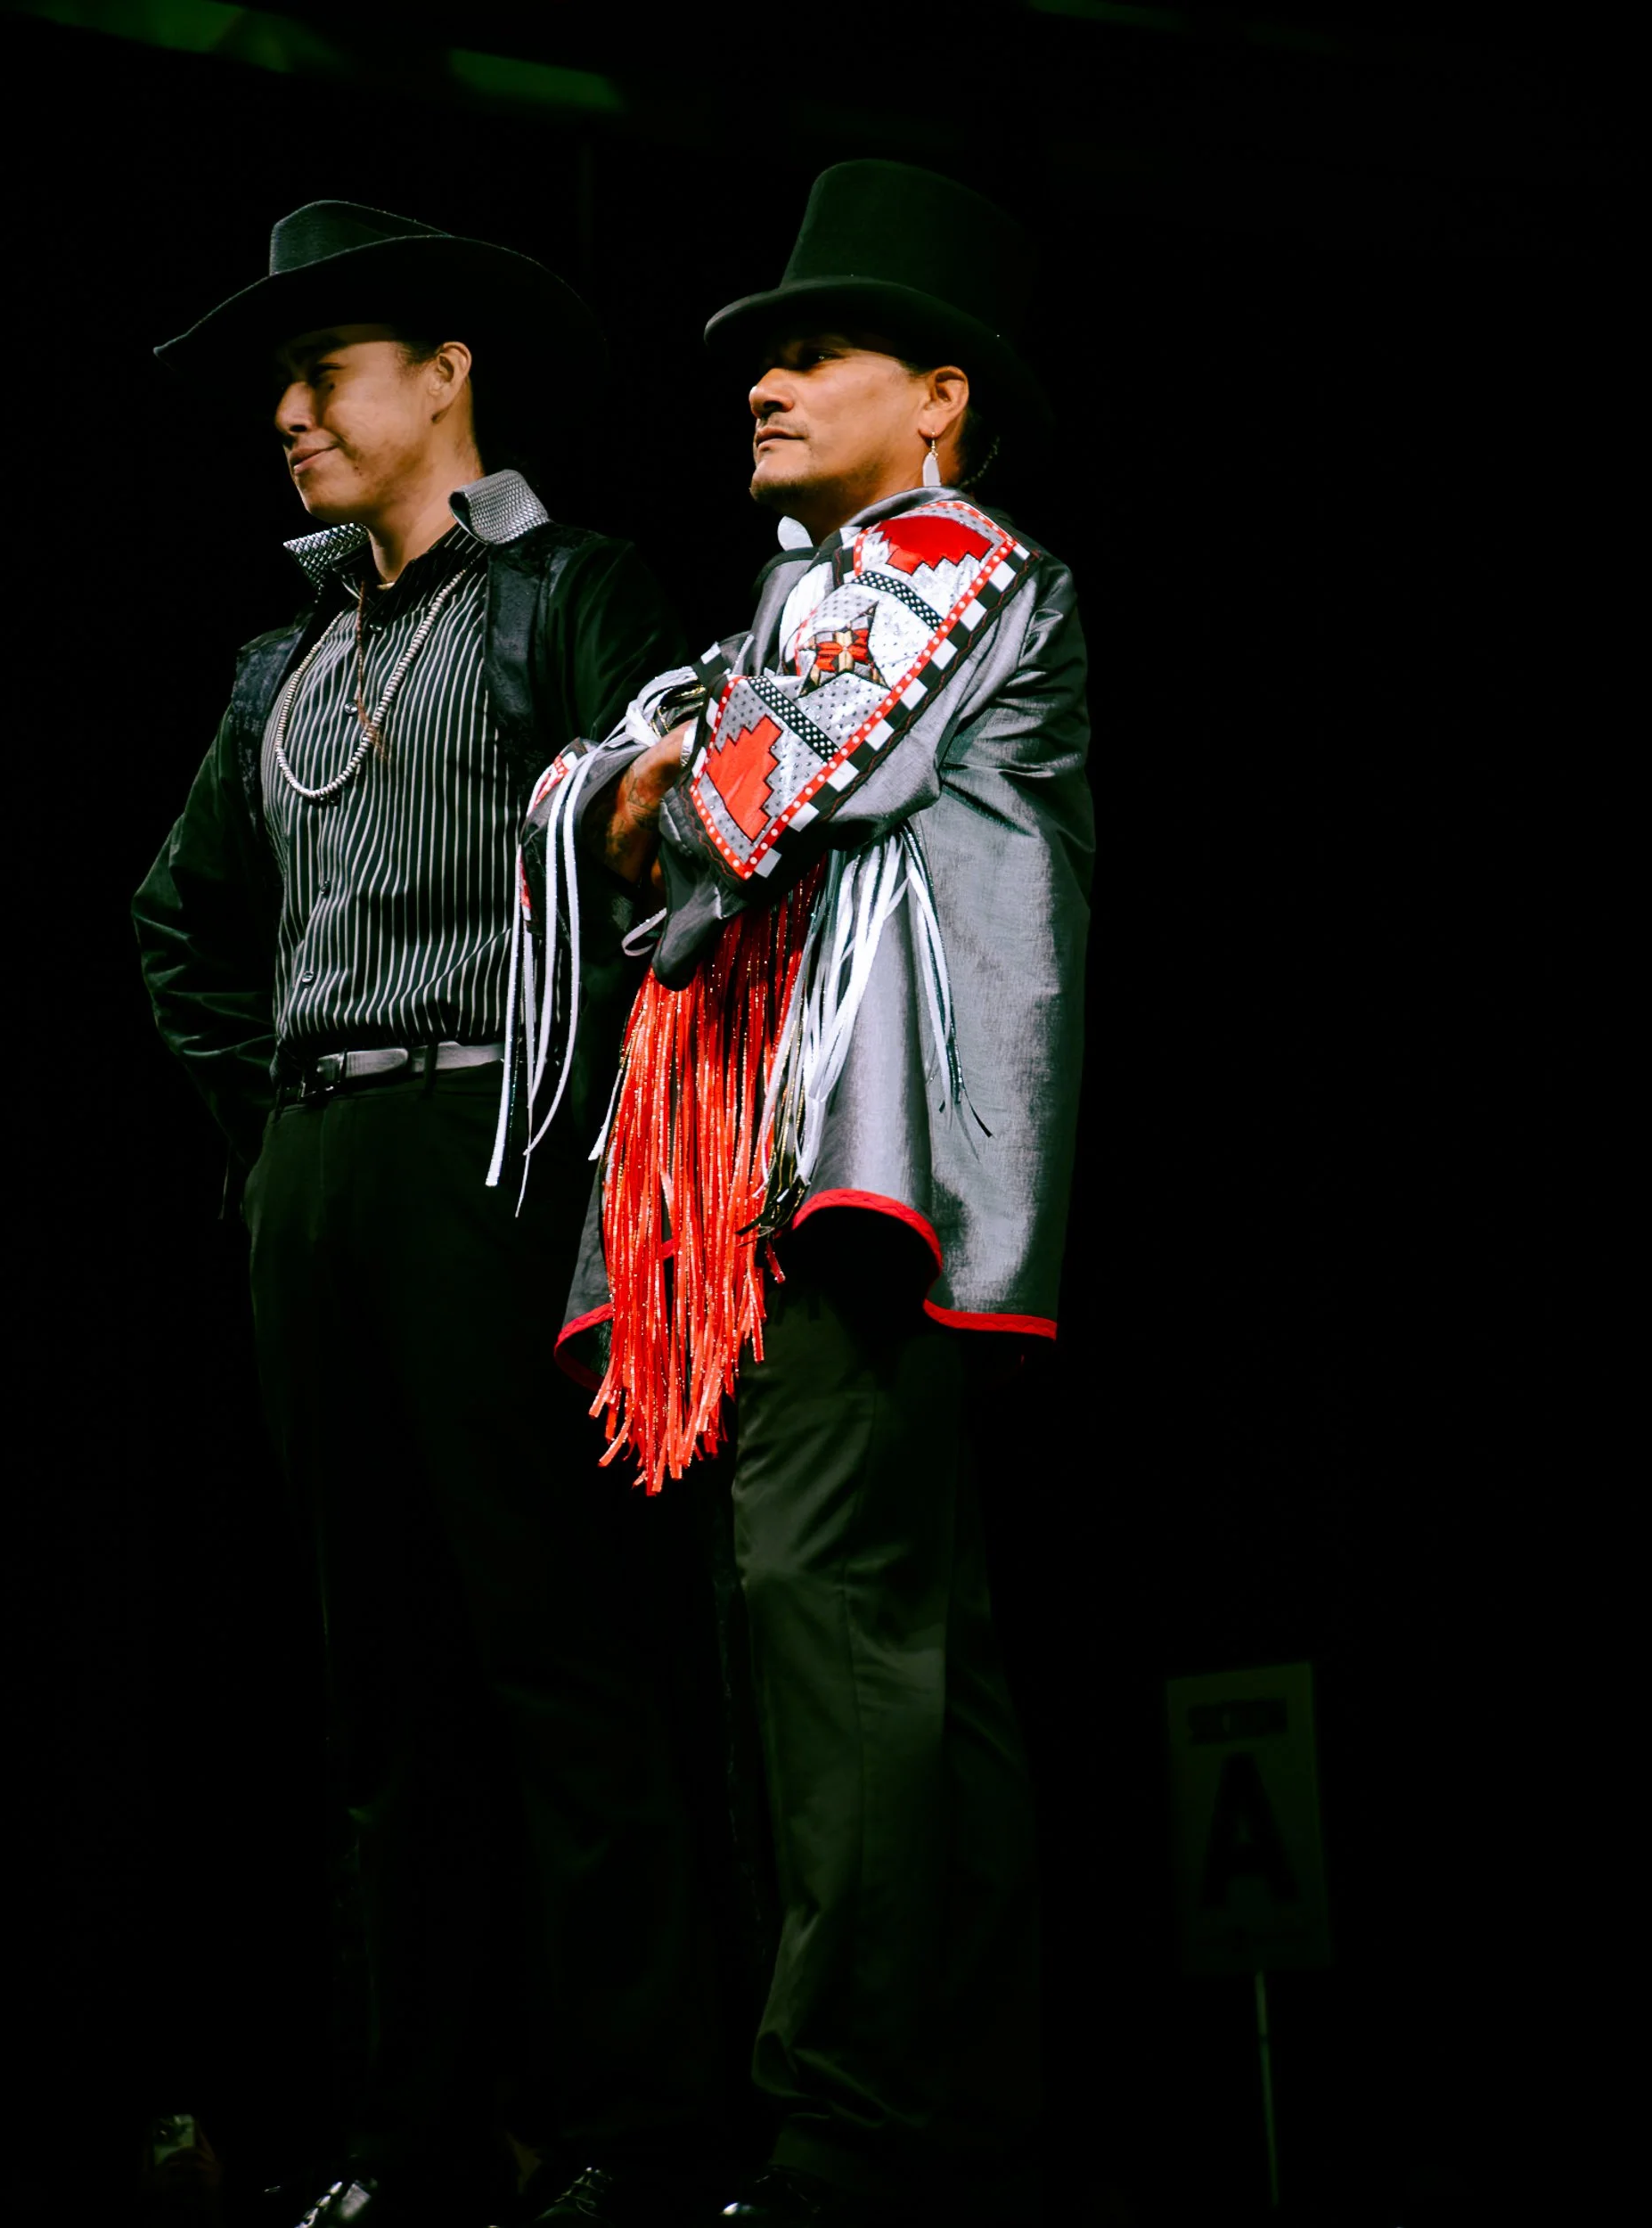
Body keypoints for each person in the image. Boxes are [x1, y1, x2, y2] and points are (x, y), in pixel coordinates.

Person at [134, 201, 730, 2228]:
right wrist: (271, 1144)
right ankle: (410, 2137)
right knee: (375, 1683)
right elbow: (176, 923)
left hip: (500, 1149)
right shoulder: (280, 661)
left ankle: (634, 2123)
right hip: (322, 1164)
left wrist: (566, 1144)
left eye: (327, 372)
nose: (288, 416)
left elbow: (670, 864)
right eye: (277, 389)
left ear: (447, 375)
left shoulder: (572, 587)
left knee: (558, 1650)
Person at [510, 161, 1094, 2227]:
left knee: (821, 1600)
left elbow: (720, 800)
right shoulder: (822, 593)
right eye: (761, 347)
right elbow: (634, 771)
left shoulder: (944, 562)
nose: (766, 377)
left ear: (938, 399)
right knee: (912, 1626)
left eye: (815, 348)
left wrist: (653, 761)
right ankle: (964, 2102)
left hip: (865, 1169)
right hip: (835, 1163)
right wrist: (646, 757)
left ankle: (846, 2119)